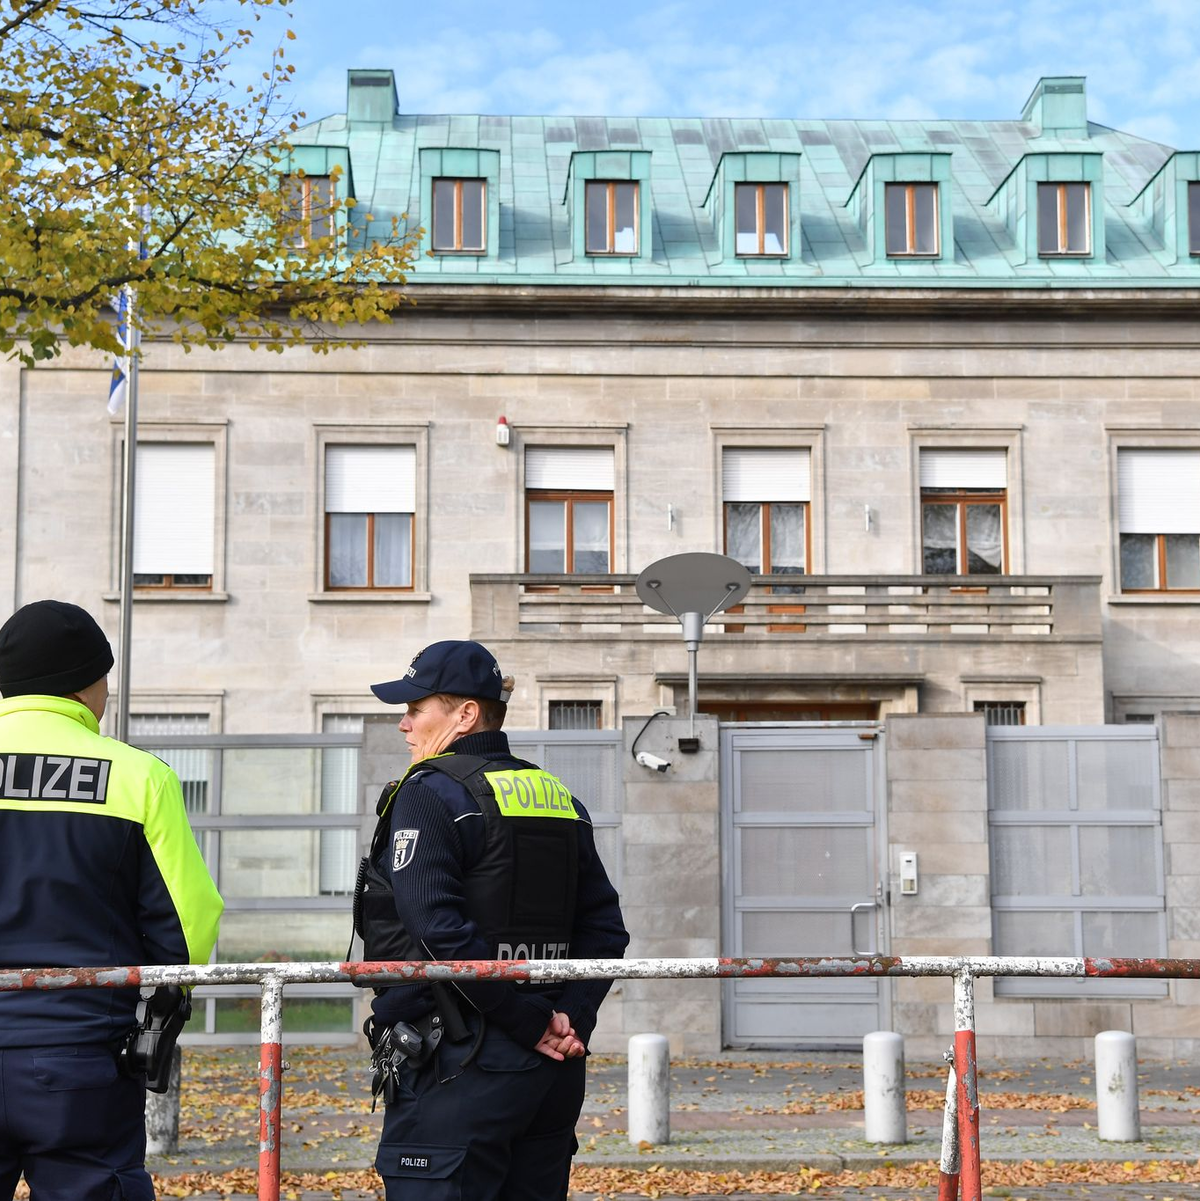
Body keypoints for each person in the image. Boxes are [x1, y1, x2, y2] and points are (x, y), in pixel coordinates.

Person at [355, 638, 628, 1200]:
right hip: (551, 1070)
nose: (404, 724)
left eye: (414, 709)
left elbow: (436, 929)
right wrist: (568, 1020)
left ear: (466, 714)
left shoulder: (430, 791)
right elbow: (604, 929)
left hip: (461, 1059)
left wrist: (529, 1024)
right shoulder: (555, 793)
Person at [0, 599, 223, 1201]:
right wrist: (167, 1003)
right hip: (78, 1057)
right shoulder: (136, 776)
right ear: (87, 685)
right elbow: (186, 924)